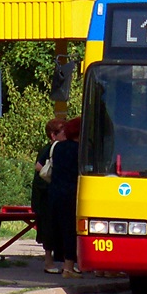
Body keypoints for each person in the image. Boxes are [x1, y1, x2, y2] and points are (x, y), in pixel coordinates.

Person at [47, 116, 82, 278]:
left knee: (60, 228)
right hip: (72, 193)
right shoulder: (81, 150)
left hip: (55, 192)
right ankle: (69, 267)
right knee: (71, 230)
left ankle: (64, 264)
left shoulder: (58, 147)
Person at [33, 117, 61, 273]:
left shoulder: (47, 148)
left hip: (45, 194)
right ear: (53, 134)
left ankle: (51, 261)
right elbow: (39, 167)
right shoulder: (49, 150)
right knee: (49, 228)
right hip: (46, 195)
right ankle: (48, 262)